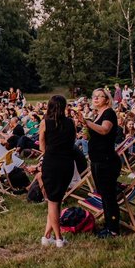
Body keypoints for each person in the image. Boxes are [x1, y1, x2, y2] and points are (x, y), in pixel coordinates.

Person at [78, 87, 122, 238]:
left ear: (107, 99)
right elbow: (92, 136)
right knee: (103, 194)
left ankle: (113, 229)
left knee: (109, 196)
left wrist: (87, 122)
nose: (95, 98)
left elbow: (104, 130)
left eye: (100, 96)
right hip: (98, 160)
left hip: (107, 161)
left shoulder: (109, 112)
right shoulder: (98, 114)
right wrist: (85, 128)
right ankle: (109, 223)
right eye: (94, 96)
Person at [38, 95, 76, 248]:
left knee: (53, 202)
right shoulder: (71, 123)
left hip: (52, 162)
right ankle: (46, 236)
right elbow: (72, 141)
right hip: (67, 163)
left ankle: (58, 239)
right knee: (56, 200)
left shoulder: (45, 123)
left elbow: (42, 147)